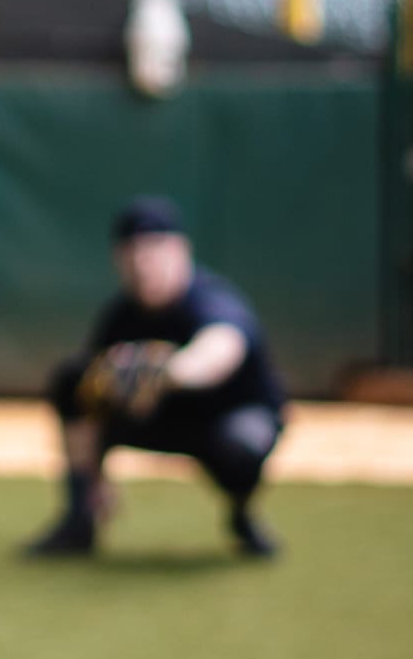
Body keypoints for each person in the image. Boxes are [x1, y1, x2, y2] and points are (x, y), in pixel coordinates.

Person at [25, 196, 288, 559]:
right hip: (162, 419)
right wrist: (97, 476)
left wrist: (167, 371)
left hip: (226, 418)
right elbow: (91, 392)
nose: (143, 264)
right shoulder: (121, 314)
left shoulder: (210, 298)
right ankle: (79, 517)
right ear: (119, 259)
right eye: (133, 254)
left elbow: (220, 350)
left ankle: (242, 513)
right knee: (73, 383)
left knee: (240, 446)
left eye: (154, 252)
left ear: (180, 250)